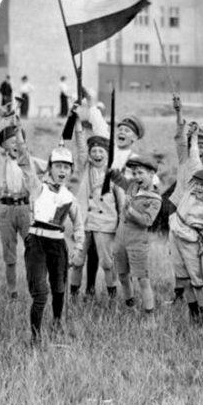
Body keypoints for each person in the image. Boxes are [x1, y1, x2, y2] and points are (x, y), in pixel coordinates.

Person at [0, 103, 47, 299]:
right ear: (3, 145)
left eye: (16, 140)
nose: (13, 144)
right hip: (6, 210)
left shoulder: (31, 161)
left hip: (26, 208)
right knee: (9, 255)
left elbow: (52, 168)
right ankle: (12, 292)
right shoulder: (0, 162)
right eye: (8, 141)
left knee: (33, 251)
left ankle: (36, 288)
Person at [24, 145, 84, 346]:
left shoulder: (69, 196)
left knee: (59, 289)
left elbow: (78, 225)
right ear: (49, 168)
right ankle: (35, 337)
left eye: (67, 167)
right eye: (58, 166)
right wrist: (18, 135)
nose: (62, 171)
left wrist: (78, 249)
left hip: (57, 244)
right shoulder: (37, 187)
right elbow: (25, 161)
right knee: (40, 292)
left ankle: (58, 323)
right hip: (36, 243)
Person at [167, 120, 203, 322]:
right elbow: (193, 158)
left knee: (196, 281)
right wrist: (192, 136)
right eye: (198, 183)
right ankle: (192, 313)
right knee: (183, 278)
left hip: (191, 242)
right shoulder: (190, 190)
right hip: (175, 233)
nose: (199, 187)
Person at [68, 117, 125, 301]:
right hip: (84, 222)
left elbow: (123, 203)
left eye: (101, 151)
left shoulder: (115, 174)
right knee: (77, 261)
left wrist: (122, 226)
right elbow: (81, 149)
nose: (97, 154)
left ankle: (112, 299)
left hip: (106, 224)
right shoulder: (85, 168)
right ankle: (74, 297)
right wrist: (77, 126)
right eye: (94, 151)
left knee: (108, 264)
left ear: (107, 154)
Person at [110, 154, 162, 322]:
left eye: (141, 173)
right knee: (123, 276)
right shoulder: (132, 186)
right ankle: (130, 307)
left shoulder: (155, 199)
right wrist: (110, 167)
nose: (137, 177)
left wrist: (130, 210)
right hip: (120, 238)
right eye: (134, 173)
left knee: (142, 279)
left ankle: (150, 319)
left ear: (152, 173)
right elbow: (117, 177)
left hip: (138, 241)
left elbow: (148, 221)